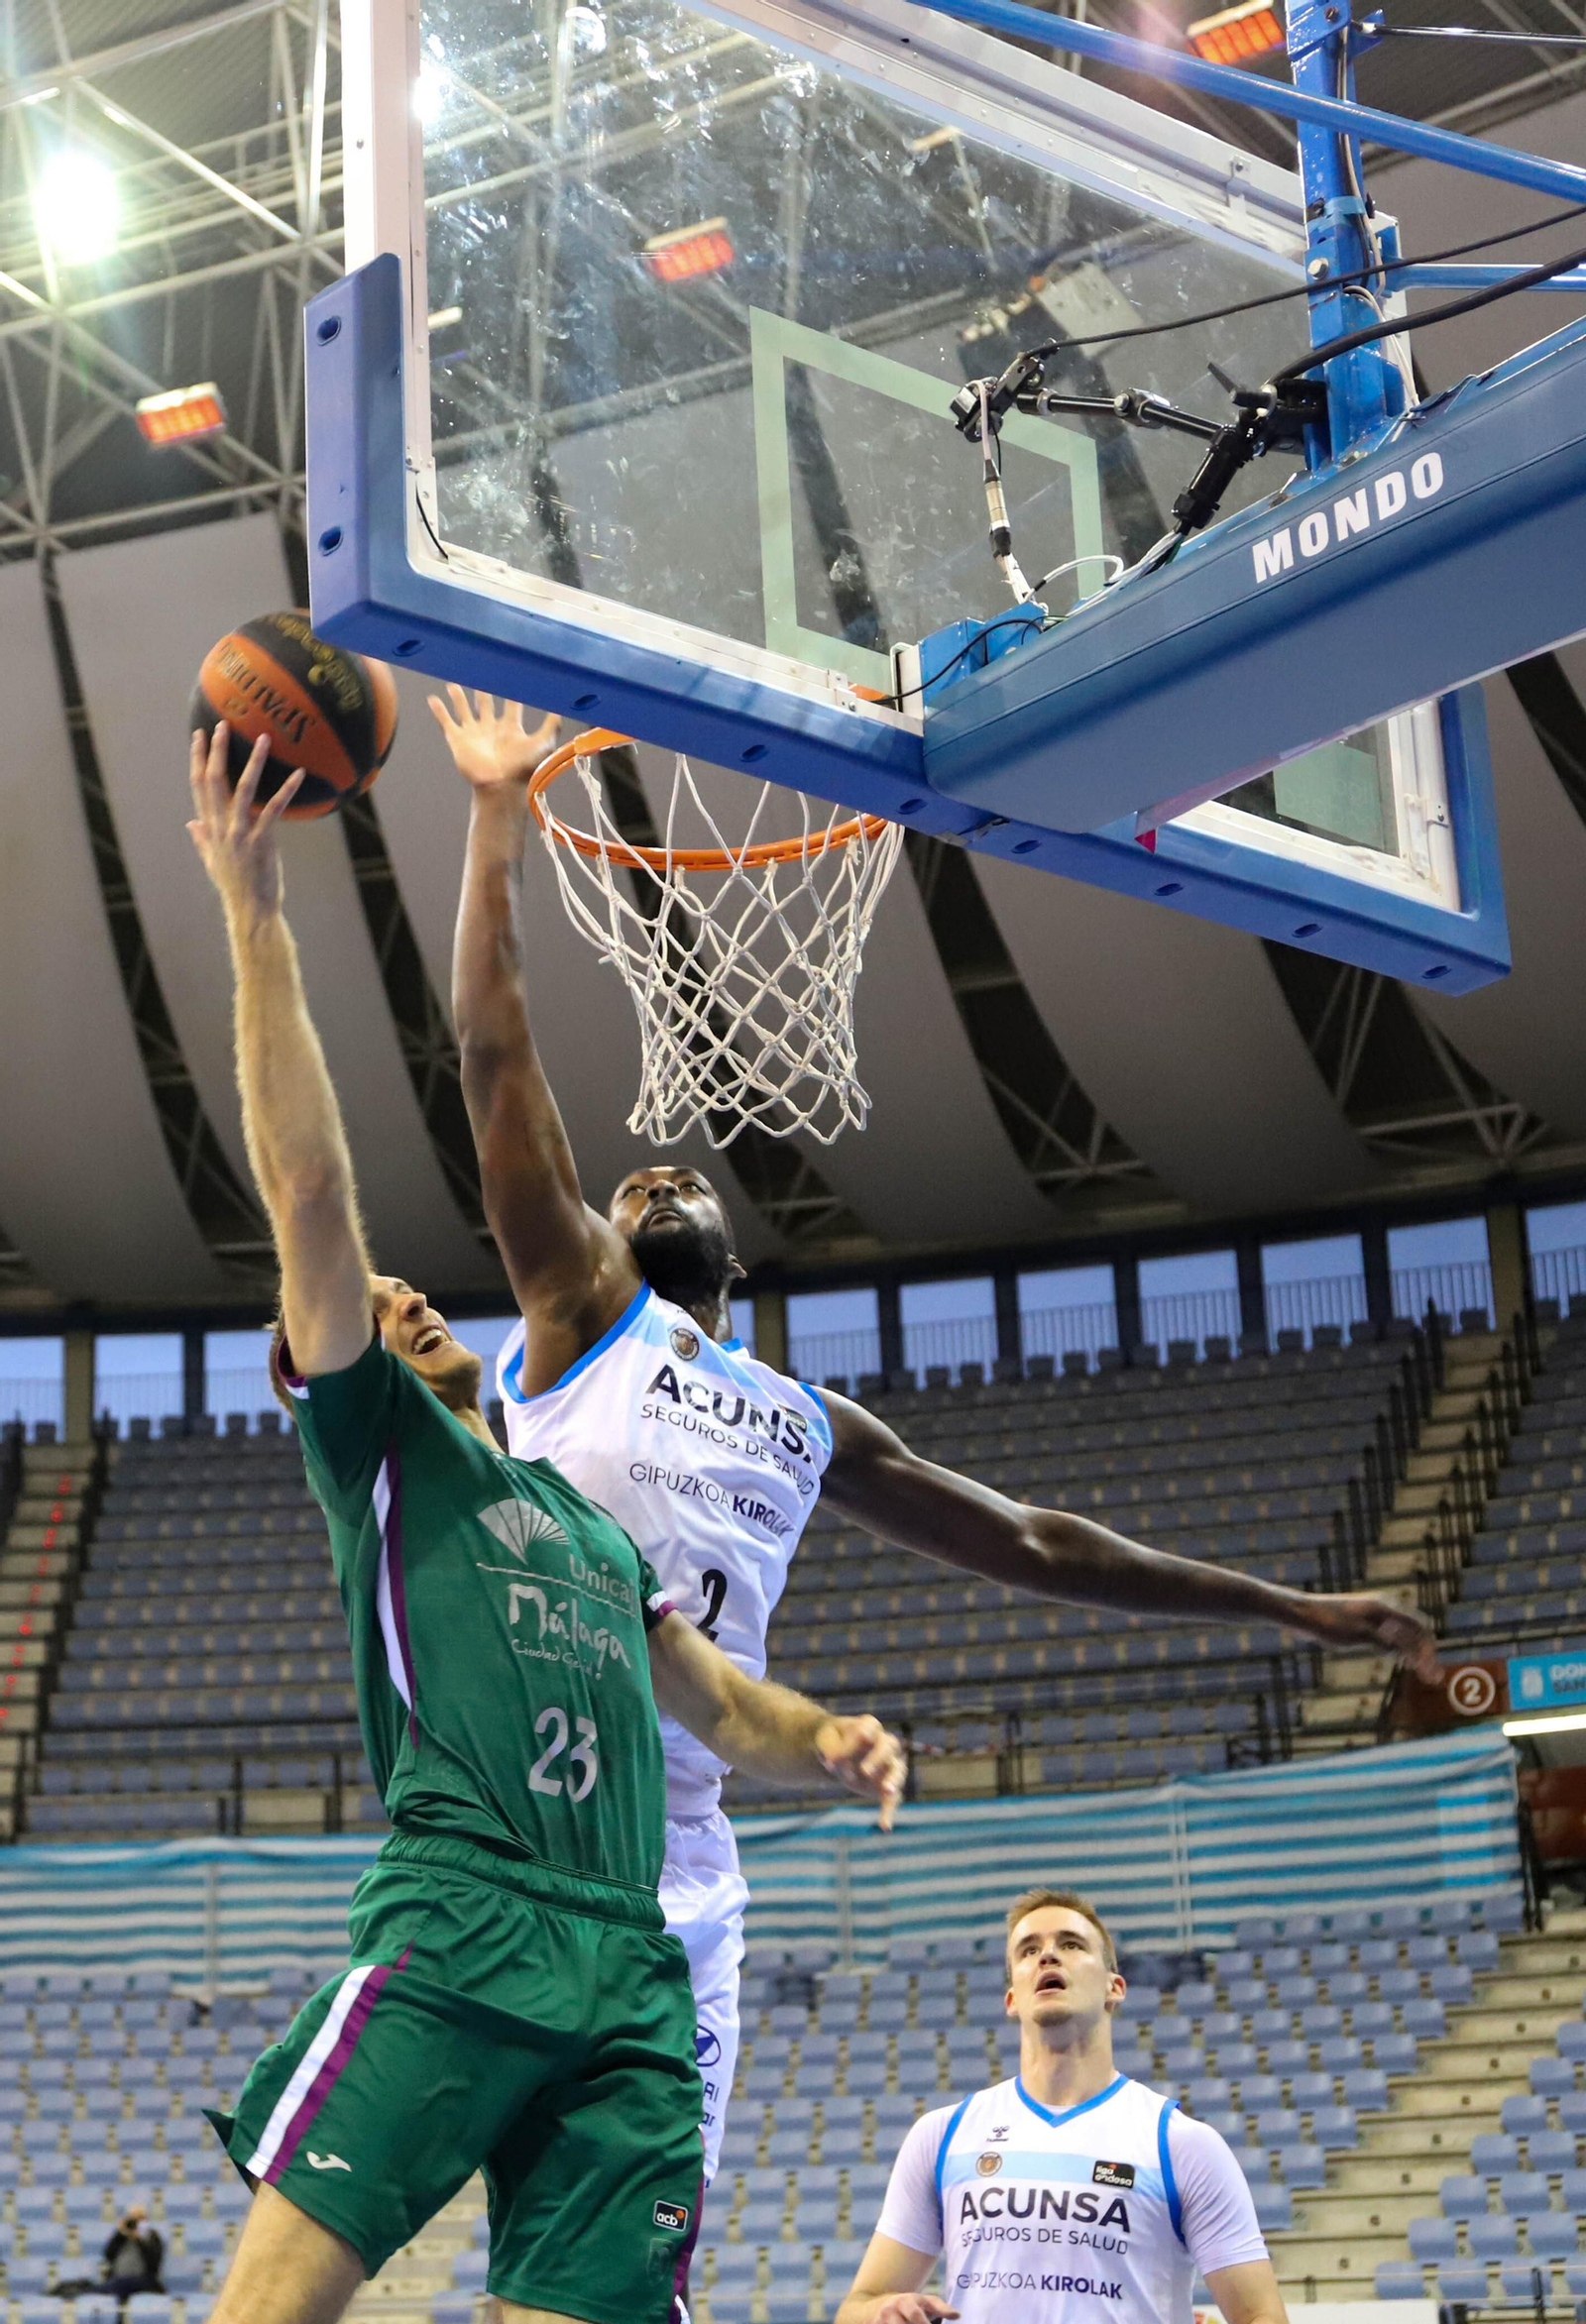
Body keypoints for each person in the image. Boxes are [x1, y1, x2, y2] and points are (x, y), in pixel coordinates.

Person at [437, 687, 1440, 2187]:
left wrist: (1291, 1606)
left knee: (644, 2238)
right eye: (630, 1184)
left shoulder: (803, 1419)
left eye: (679, 1179)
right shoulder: (584, 1312)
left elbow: (1041, 1544)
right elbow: (493, 1059)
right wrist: (494, 818)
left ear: (738, 1263)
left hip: (687, 1850)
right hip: (530, 1815)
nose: (655, 1175)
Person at [186, 722, 906, 2324]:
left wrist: (831, 1739)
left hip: (627, 1956)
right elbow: (312, 1194)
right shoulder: (387, 1453)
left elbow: (722, 1705)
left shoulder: (586, 1530)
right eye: (368, 1309)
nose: (402, 1301)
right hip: (464, 1916)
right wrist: (256, 913)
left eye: (412, 1295)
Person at [835, 1887, 1288, 2324]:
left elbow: (1260, 2314)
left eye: (1071, 1944)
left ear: (1115, 1987)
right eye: (1028, 1950)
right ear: (1012, 1999)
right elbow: (858, 2306)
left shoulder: (1180, 2145)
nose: (1047, 1955)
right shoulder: (943, 2136)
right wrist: (880, 2313)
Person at [100, 2207, 165, 2307]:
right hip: (119, 2279)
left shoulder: (152, 2236)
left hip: (144, 2280)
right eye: (132, 2219)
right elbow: (108, 2255)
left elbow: (154, 2262)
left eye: (139, 2219)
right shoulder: (121, 2236)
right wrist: (120, 2234)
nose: (135, 2223)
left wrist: (138, 2240)